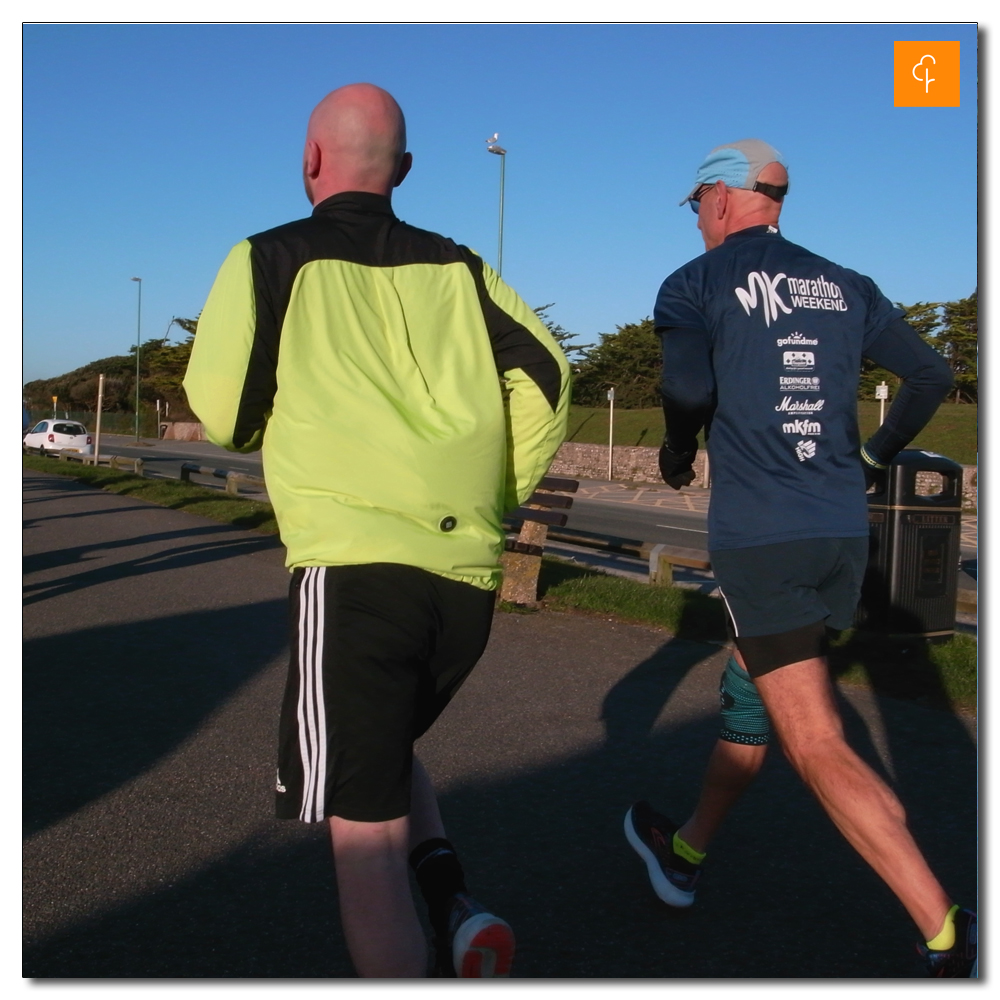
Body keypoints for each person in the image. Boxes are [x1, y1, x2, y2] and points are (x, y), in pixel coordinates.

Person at [183, 83, 571, 978]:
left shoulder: (268, 257)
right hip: (461, 579)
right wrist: (488, 490)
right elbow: (551, 377)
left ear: (310, 161)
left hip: (353, 570)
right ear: (402, 171)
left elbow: (226, 416)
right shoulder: (462, 268)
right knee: (382, 749)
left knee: (359, 841)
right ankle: (453, 904)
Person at [623, 139, 976, 977]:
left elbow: (687, 390)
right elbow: (928, 373)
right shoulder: (847, 283)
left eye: (696, 202)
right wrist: (872, 457)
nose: (696, 218)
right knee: (754, 703)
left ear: (721, 196)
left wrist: (678, 457)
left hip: (764, 541)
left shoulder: (695, 281)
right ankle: (686, 851)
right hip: (839, 538)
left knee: (816, 742)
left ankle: (951, 937)